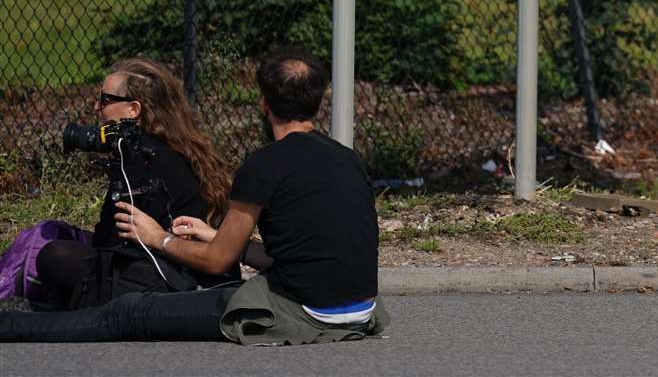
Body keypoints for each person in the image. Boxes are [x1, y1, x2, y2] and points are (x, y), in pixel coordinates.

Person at [0, 48, 388, 345]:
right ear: (318, 102)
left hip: (304, 313)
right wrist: (214, 237)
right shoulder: (346, 157)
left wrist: (159, 239)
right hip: (361, 310)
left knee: (132, 313)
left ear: (264, 104)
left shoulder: (265, 165)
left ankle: (11, 326)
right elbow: (299, 255)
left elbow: (217, 263)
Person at [28, 58, 235, 309]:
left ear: (133, 110)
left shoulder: (144, 159)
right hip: (164, 262)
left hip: (167, 276)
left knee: (56, 256)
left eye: (105, 101)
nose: (96, 107)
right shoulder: (170, 148)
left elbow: (117, 239)